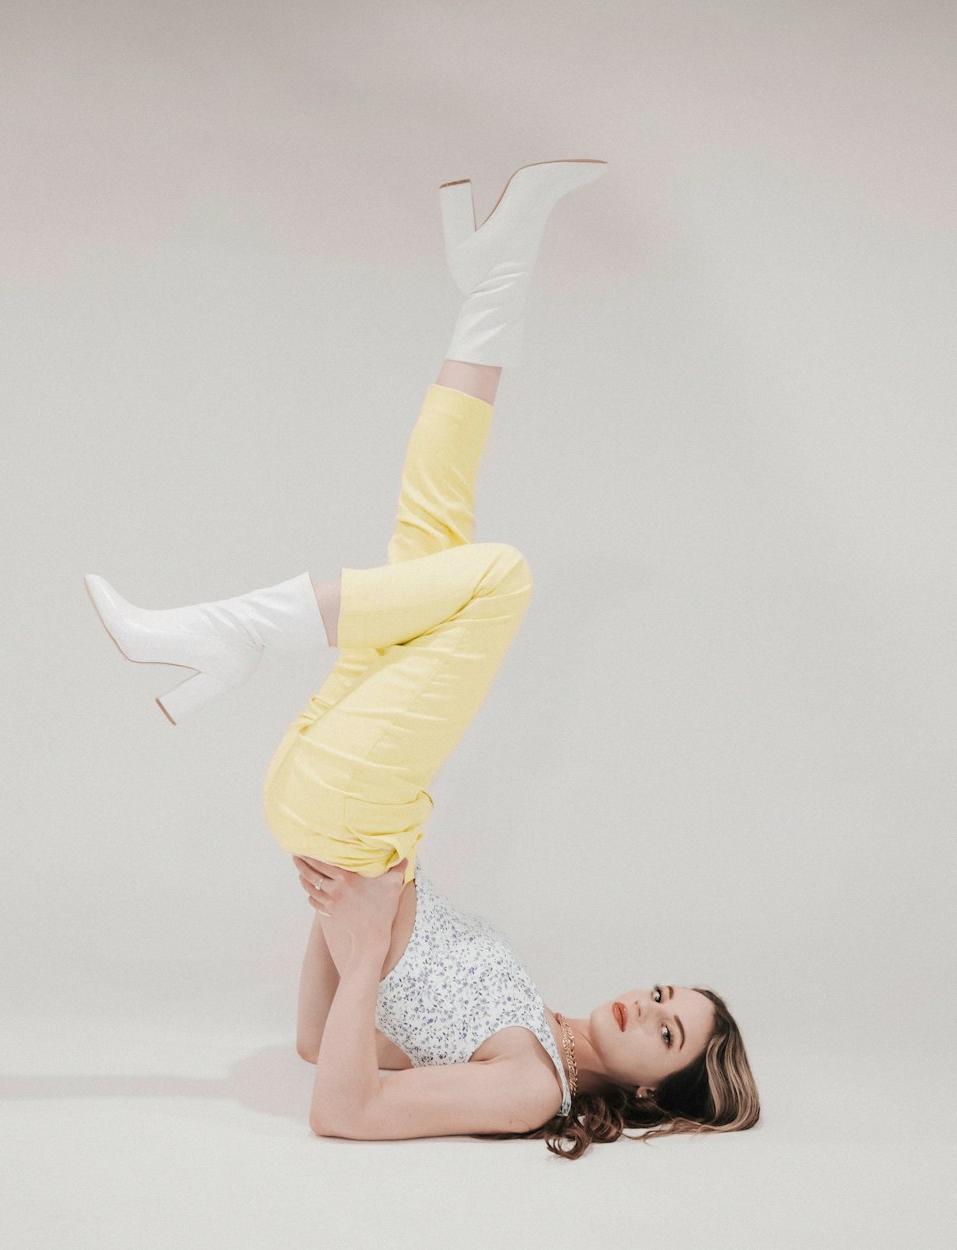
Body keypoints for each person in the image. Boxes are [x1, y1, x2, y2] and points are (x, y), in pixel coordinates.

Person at [84, 159, 761, 1158]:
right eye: (664, 993)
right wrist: (346, 929)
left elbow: (343, 1109)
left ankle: (235, 631)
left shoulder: (532, 1085)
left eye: (666, 1031)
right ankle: (495, 279)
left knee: (501, 579)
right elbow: (319, 1045)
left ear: (663, 1087)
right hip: (357, 815)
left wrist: (363, 956)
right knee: (433, 540)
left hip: (355, 810)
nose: (646, 1005)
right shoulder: (534, 1008)